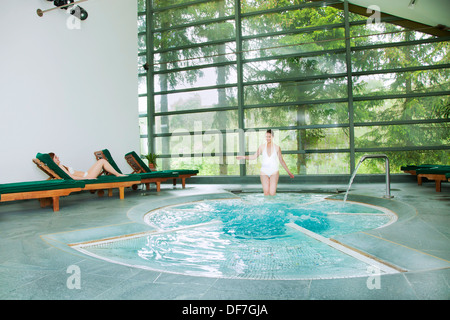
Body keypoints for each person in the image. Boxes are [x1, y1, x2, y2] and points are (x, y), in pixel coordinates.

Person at [236, 130, 294, 196]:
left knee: (272, 193)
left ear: (273, 137)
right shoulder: (262, 147)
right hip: (264, 172)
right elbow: (254, 156)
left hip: (274, 172)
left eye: (269, 137)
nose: (268, 138)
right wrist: (243, 157)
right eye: (266, 137)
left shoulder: (277, 148)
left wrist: (289, 172)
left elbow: (281, 161)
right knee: (266, 193)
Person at [49, 152, 126, 180]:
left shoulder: (59, 167)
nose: (58, 157)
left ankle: (117, 174)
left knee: (101, 161)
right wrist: (89, 178)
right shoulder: (60, 167)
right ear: (52, 160)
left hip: (86, 173)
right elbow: (72, 177)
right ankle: (118, 174)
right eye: (56, 157)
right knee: (102, 161)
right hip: (87, 176)